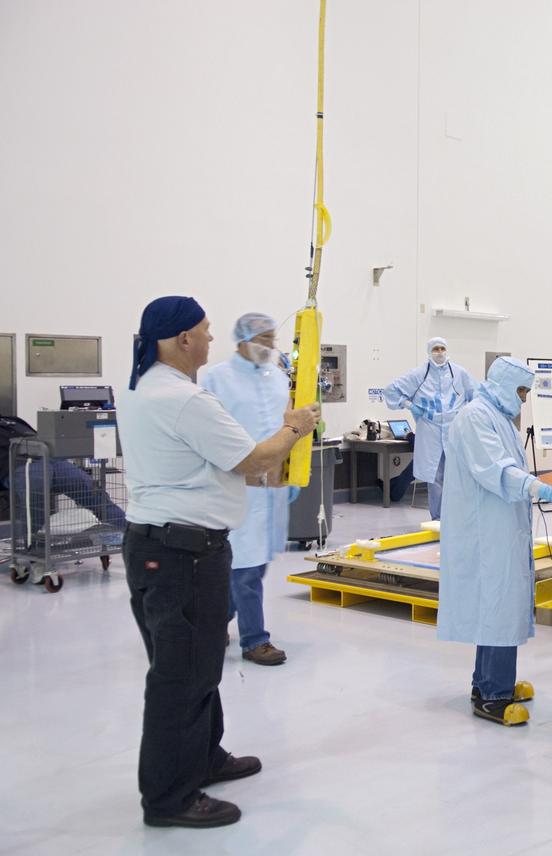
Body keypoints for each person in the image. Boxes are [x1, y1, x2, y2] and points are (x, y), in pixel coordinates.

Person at [116, 296, 319, 828]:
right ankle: (169, 798)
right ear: (182, 338)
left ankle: (205, 757)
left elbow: (210, 462)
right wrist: (296, 427)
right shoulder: (186, 399)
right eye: (204, 331)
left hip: (167, 546)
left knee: (198, 665)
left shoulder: (145, 388)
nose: (210, 339)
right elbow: (252, 456)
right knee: (180, 676)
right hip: (182, 553)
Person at [436, 356, 552, 727]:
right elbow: (498, 473)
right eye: (521, 391)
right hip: (485, 533)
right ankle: (492, 696)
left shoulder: (495, 417)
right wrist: (548, 491)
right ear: (504, 384)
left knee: (497, 608)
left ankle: (487, 683)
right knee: (498, 607)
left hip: (499, 528)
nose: (523, 399)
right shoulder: (475, 418)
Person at [201, 312, 294, 667]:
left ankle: (215, 621)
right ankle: (255, 640)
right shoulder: (217, 378)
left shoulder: (277, 379)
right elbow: (209, 432)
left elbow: (288, 425)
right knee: (245, 566)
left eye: (272, 340)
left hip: (273, 489)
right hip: (237, 485)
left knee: (256, 562)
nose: (269, 347)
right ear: (242, 340)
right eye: (263, 339)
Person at [383, 336, 476, 519]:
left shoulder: (459, 373)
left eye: (442, 348)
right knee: (436, 477)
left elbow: (475, 395)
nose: (439, 353)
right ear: (429, 352)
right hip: (430, 430)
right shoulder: (418, 374)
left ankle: (458, 517)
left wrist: (466, 414)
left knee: (459, 476)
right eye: (435, 349)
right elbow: (391, 391)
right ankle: (438, 518)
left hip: (454, 430)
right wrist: (409, 405)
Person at [0, 413, 127, 535]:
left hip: (52, 460)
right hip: (19, 465)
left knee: (89, 486)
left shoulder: (12, 421)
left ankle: (128, 533)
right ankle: (34, 544)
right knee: (37, 483)